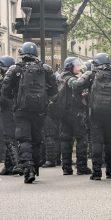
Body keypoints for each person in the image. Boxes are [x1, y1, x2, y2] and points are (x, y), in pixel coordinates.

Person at [1, 42, 58, 183]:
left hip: (21, 110)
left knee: (24, 139)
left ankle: (28, 170)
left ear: (22, 54)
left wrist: (15, 98)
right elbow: (54, 90)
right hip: (39, 110)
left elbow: (5, 91)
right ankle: (36, 167)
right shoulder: (46, 69)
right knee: (37, 139)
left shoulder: (14, 69)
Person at [68, 53, 111, 180]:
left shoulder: (91, 74)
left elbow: (77, 85)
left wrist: (70, 80)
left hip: (95, 114)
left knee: (96, 142)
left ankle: (96, 173)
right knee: (110, 143)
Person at [58, 57, 91, 175]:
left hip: (65, 113)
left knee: (66, 139)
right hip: (74, 113)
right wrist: (87, 74)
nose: (78, 67)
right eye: (76, 65)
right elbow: (77, 85)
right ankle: (81, 167)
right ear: (69, 67)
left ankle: (66, 168)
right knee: (81, 139)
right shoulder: (68, 78)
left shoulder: (61, 76)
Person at [0, 55, 23, 175]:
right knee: (8, 136)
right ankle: (9, 166)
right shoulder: (16, 76)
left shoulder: (6, 78)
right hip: (13, 108)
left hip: (8, 109)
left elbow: (4, 97)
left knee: (9, 137)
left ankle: (17, 164)